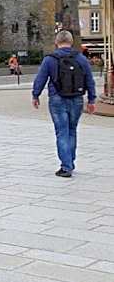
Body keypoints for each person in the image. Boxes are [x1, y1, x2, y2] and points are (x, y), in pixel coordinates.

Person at [32, 30, 97, 178]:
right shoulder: (81, 58)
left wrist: (35, 95)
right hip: (77, 99)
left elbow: (40, 78)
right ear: (71, 42)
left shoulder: (50, 60)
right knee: (72, 130)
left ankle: (66, 166)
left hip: (57, 99)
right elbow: (89, 80)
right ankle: (70, 163)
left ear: (56, 42)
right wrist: (91, 100)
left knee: (62, 132)